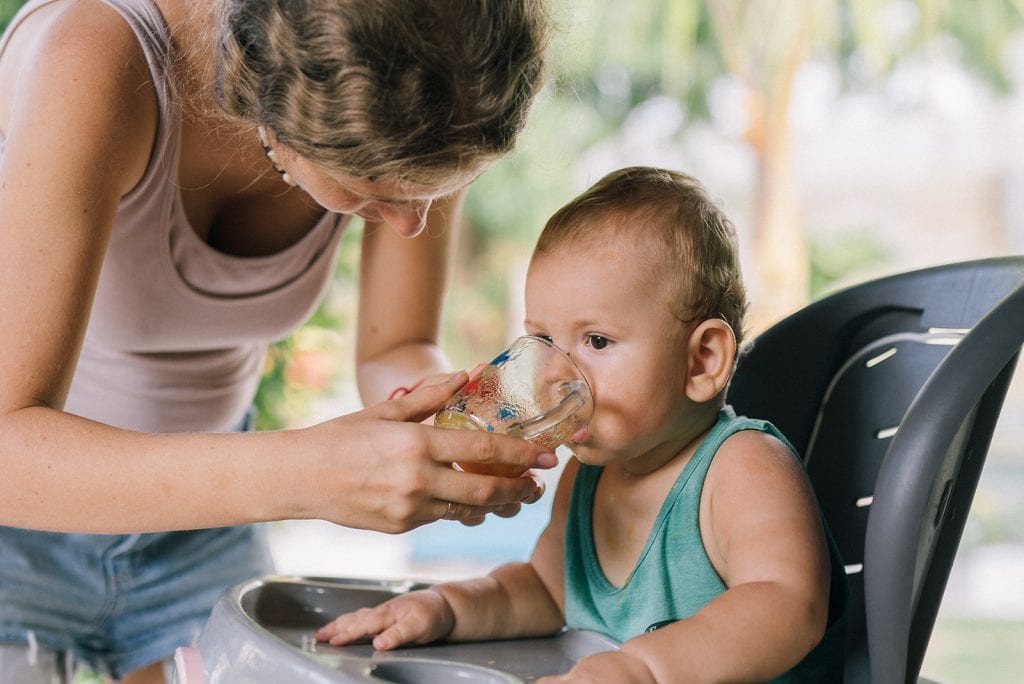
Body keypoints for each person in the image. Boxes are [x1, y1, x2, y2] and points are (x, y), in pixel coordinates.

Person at [0, 0, 554, 681]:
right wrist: (306, 475)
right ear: (279, 111)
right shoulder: (97, 57)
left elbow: (394, 346)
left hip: (203, 534)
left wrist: (449, 425)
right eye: (369, 194)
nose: (410, 224)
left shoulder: (435, 90)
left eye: (436, 193)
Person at [317, 167, 849, 682]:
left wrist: (644, 669)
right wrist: (445, 608)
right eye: (543, 341)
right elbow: (543, 593)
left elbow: (787, 603)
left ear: (702, 361)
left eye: (596, 341)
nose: (552, 372)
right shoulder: (589, 477)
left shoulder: (743, 467)